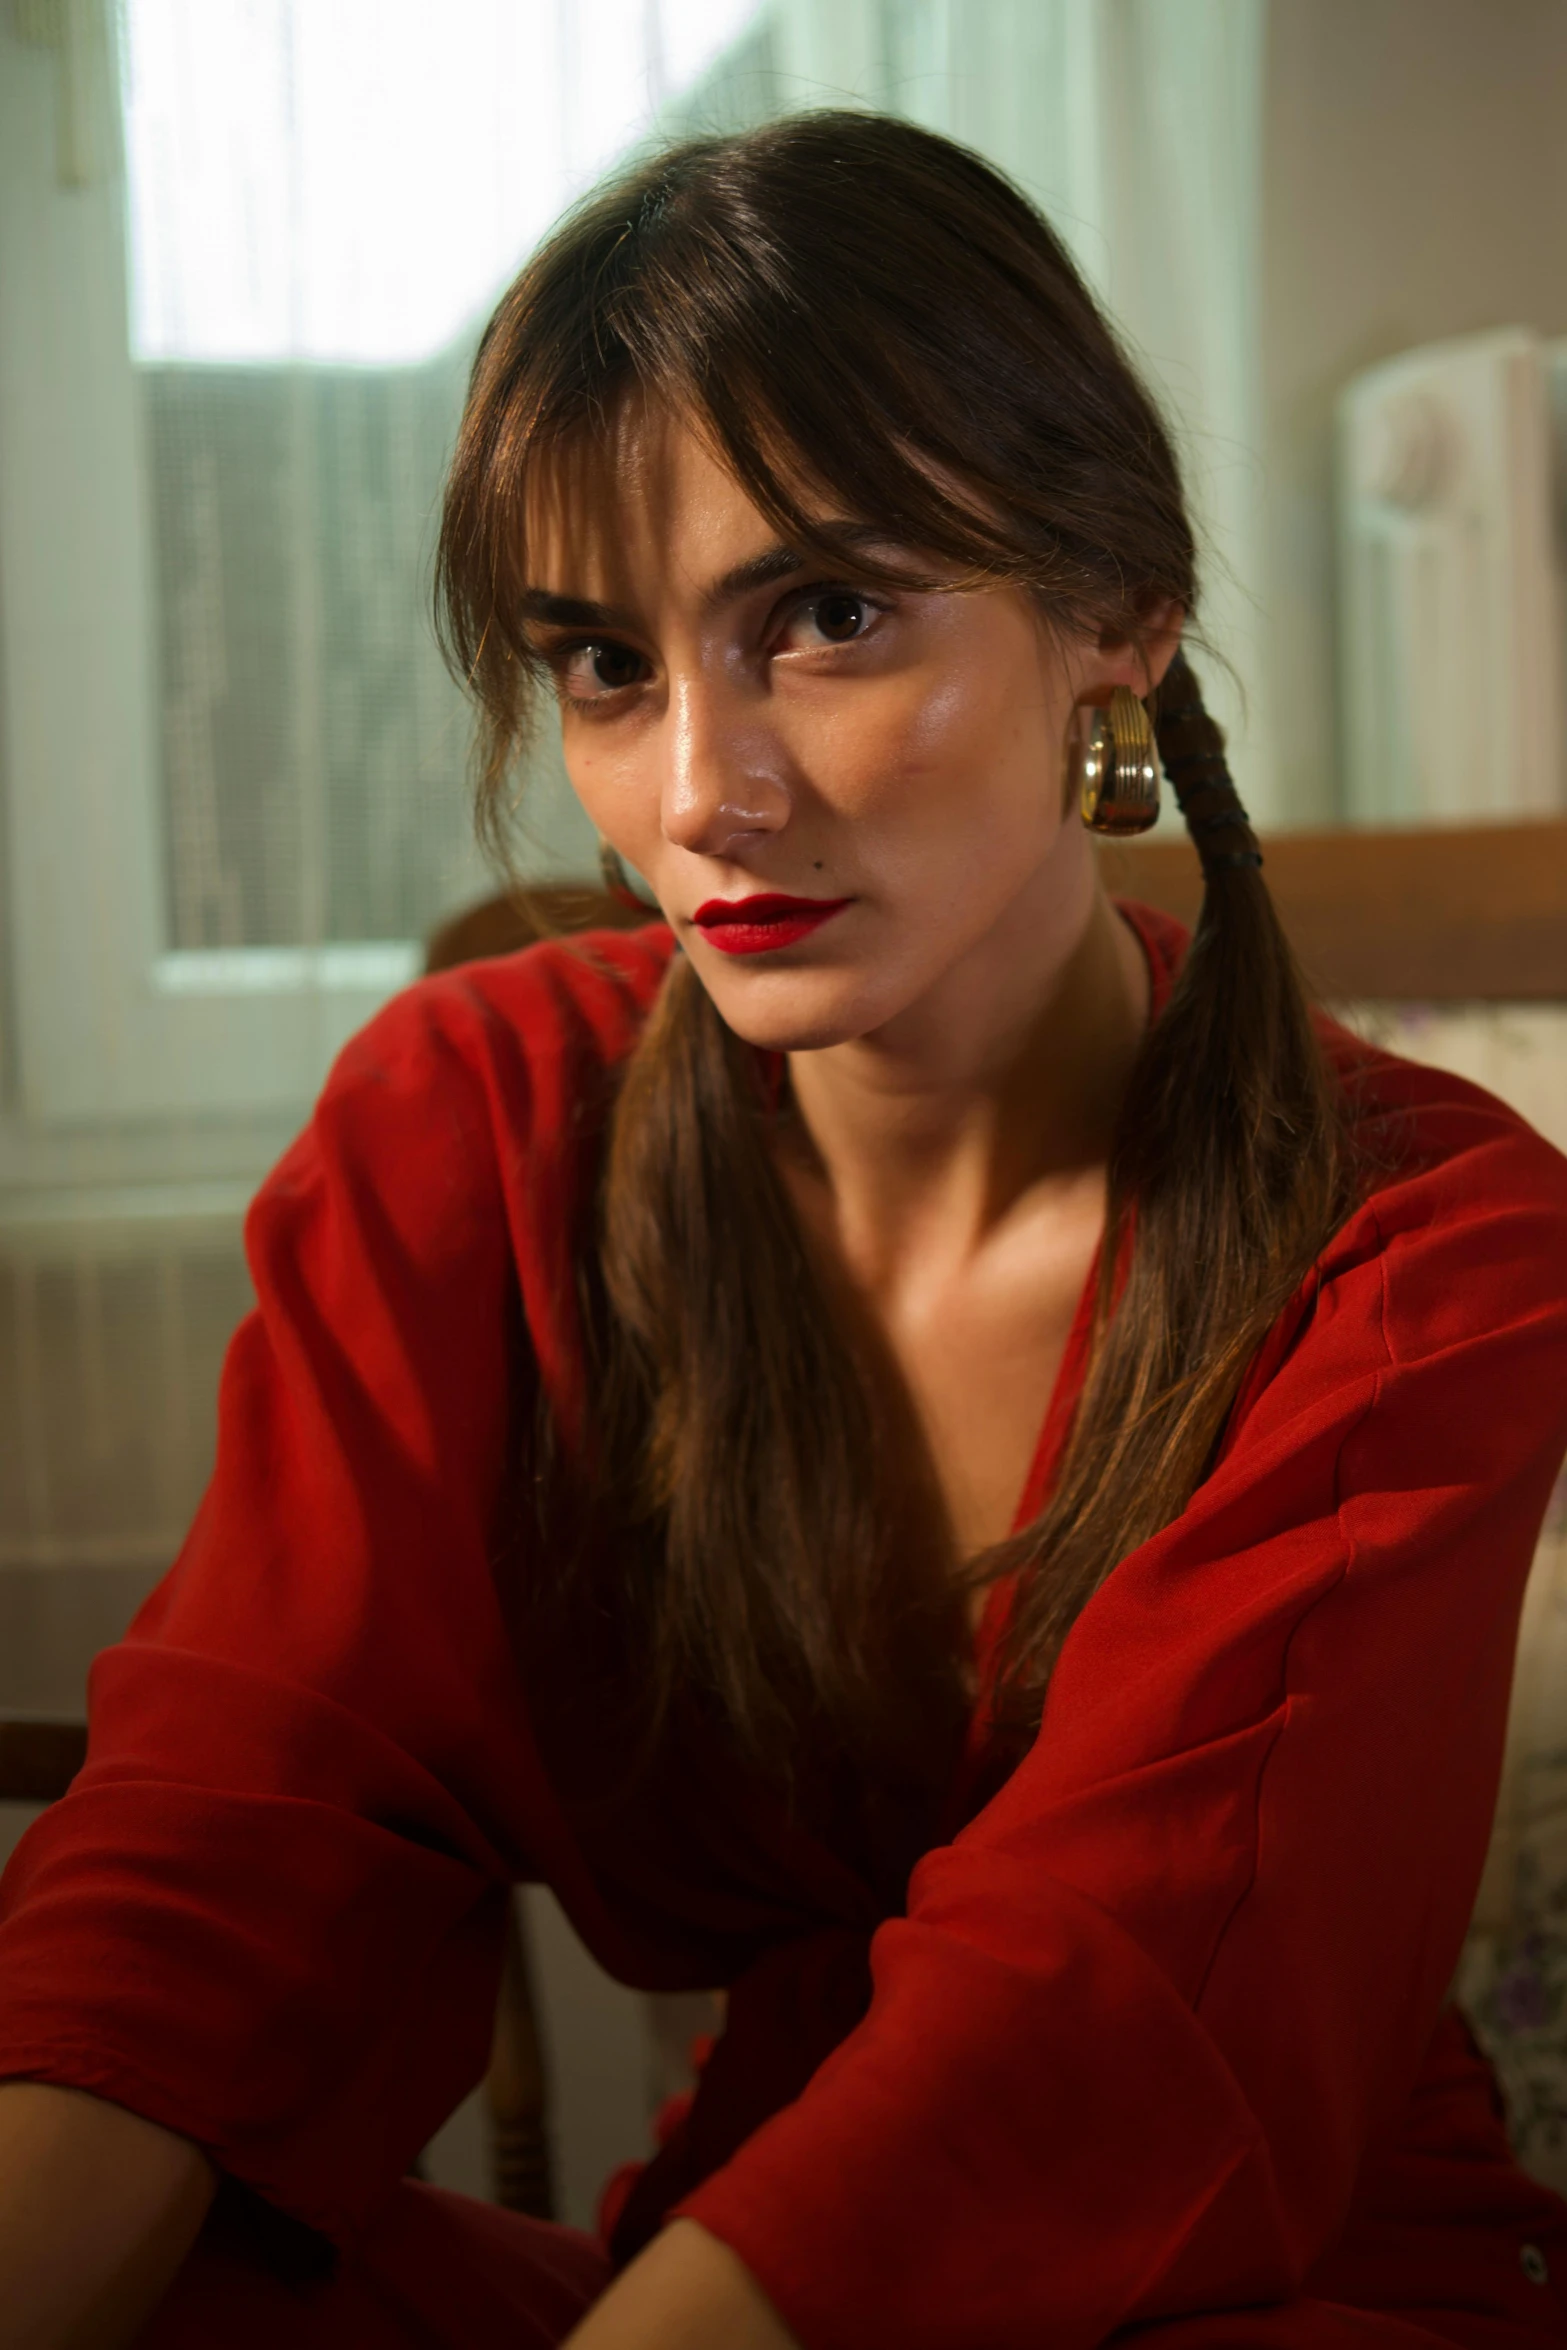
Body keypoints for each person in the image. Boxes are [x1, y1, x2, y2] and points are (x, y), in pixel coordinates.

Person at [2, 108, 1567, 2350]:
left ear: (1118, 609)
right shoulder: (472, 1122)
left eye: (825, 616)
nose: (699, 792)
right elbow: (236, 1829)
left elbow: (1114, 2019)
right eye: (606, 666)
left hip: (1258, 2277)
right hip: (734, 2245)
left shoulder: (1418, 1243)